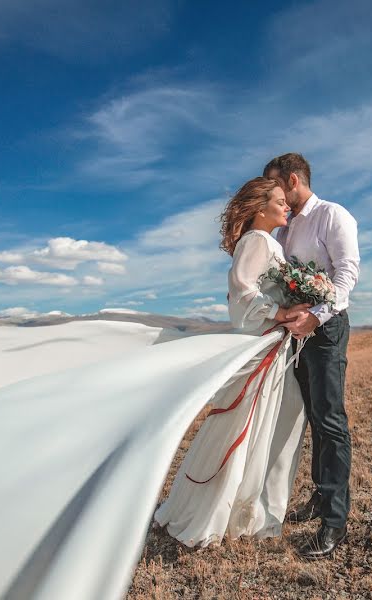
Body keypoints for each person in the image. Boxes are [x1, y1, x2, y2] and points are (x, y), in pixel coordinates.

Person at [152, 176, 311, 547]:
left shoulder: (264, 242)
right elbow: (242, 296)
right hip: (262, 345)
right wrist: (282, 312)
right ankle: (223, 513)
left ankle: (244, 509)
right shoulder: (256, 241)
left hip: (272, 346)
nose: (287, 205)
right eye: (279, 201)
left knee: (262, 426)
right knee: (248, 426)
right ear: (260, 208)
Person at [263, 153, 360, 559]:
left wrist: (316, 317)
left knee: (331, 419)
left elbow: (346, 274)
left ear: (293, 179)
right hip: (294, 333)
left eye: (274, 185)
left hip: (326, 329)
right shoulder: (286, 227)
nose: (272, 193)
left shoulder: (333, 215)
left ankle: (335, 520)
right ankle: (320, 497)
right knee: (314, 418)